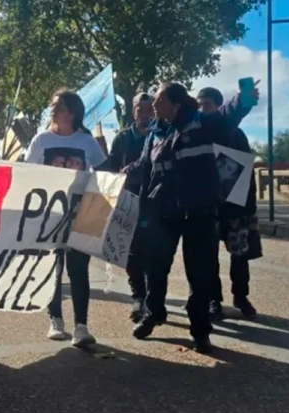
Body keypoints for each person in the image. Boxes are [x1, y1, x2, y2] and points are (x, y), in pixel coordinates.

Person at [126, 82, 234, 355]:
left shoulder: (200, 123)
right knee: (155, 267)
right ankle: (154, 313)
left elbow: (227, 115)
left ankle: (200, 331)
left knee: (199, 274)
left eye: (159, 100)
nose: (154, 105)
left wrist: (243, 101)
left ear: (176, 104)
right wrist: (116, 173)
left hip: (199, 212)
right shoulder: (154, 132)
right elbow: (144, 165)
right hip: (163, 210)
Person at [26, 89, 108, 348]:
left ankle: (81, 327)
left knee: (78, 270)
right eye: (52, 106)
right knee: (53, 268)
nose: (53, 110)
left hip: (80, 216)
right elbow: (27, 174)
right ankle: (55, 320)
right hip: (49, 215)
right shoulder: (40, 141)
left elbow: (105, 174)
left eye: (58, 106)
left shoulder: (86, 141)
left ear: (72, 112)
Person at [197, 87, 259, 321]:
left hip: (235, 208)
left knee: (239, 255)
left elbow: (245, 171)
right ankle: (214, 300)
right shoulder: (197, 133)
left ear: (218, 106)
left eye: (207, 104)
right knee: (209, 257)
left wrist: (249, 206)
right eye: (199, 105)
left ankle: (241, 296)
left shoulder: (236, 134)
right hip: (209, 207)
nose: (202, 109)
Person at [104, 93, 154, 324]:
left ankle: (154, 298)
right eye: (140, 110)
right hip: (129, 202)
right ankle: (138, 297)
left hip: (156, 202)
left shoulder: (162, 134)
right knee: (133, 253)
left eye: (149, 109)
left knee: (156, 253)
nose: (145, 114)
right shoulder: (123, 139)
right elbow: (112, 170)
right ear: (133, 112)